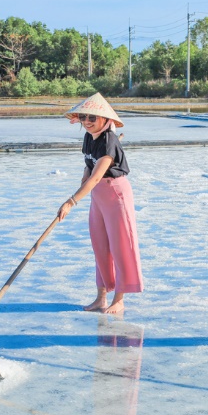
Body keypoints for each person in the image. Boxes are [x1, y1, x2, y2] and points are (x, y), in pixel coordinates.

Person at [57, 93, 144, 314]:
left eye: (92, 118)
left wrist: (71, 201)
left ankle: (120, 299)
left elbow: (98, 176)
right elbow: (90, 164)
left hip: (116, 195)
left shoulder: (109, 141)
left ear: (105, 120)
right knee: (100, 246)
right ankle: (101, 298)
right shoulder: (90, 136)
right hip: (98, 196)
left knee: (120, 246)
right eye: (84, 117)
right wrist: (83, 177)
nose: (87, 122)